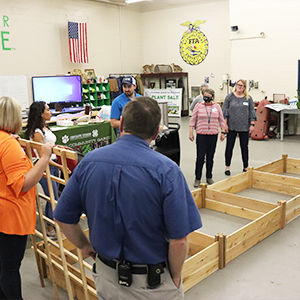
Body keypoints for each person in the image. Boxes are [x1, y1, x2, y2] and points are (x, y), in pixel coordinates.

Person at [54, 96, 202, 300]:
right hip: (152, 284)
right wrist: (175, 276)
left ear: (121, 123)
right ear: (157, 132)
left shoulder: (89, 162)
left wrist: (85, 246)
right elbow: (179, 240)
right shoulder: (167, 171)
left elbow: (62, 217)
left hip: (106, 277)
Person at [0, 96, 53, 300]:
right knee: (11, 268)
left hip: (4, 214)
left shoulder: (5, 140)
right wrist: (45, 158)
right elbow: (22, 184)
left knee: (3, 266)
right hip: (11, 217)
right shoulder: (8, 144)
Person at [24, 101, 71, 238]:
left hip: (52, 164)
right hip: (46, 167)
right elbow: (42, 155)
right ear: (40, 113)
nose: (50, 112)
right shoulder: (37, 132)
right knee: (52, 198)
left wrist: (60, 148)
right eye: (48, 110)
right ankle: (51, 228)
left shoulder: (45, 128)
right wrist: (59, 166)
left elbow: (50, 146)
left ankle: (54, 226)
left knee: (54, 197)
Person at [189, 88, 226, 187]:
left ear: (213, 97)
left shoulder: (217, 106)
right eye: (205, 95)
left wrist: (223, 132)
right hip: (201, 134)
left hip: (213, 135)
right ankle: (197, 178)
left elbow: (221, 120)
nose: (206, 97)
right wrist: (191, 132)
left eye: (208, 95)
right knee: (200, 157)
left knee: (210, 157)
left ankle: (209, 177)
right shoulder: (198, 106)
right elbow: (193, 120)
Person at [222, 79, 257, 175]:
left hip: (244, 127)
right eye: (238, 85)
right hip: (231, 126)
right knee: (229, 147)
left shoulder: (248, 98)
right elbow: (225, 111)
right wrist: (224, 124)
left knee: (244, 147)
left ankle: (245, 166)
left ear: (244, 88)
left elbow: (251, 112)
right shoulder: (229, 97)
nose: (240, 87)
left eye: (242, 85)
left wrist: (252, 124)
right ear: (236, 85)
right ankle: (227, 167)